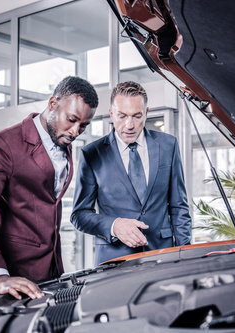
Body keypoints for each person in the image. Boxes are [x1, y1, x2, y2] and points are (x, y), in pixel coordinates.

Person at [0, 76, 98, 300]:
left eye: (83, 126)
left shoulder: (62, 141)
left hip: (54, 277)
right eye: (72, 119)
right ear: (53, 104)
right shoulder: (2, 145)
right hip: (14, 281)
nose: (75, 132)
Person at [71, 81, 191, 265]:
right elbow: (79, 215)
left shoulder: (169, 145)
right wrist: (114, 225)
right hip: (114, 259)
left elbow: (179, 206)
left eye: (137, 116)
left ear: (146, 112)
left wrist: (185, 254)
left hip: (163, 255)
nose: (129, 125)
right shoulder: (92, 154)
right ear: (111, 113)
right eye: (122, 116)